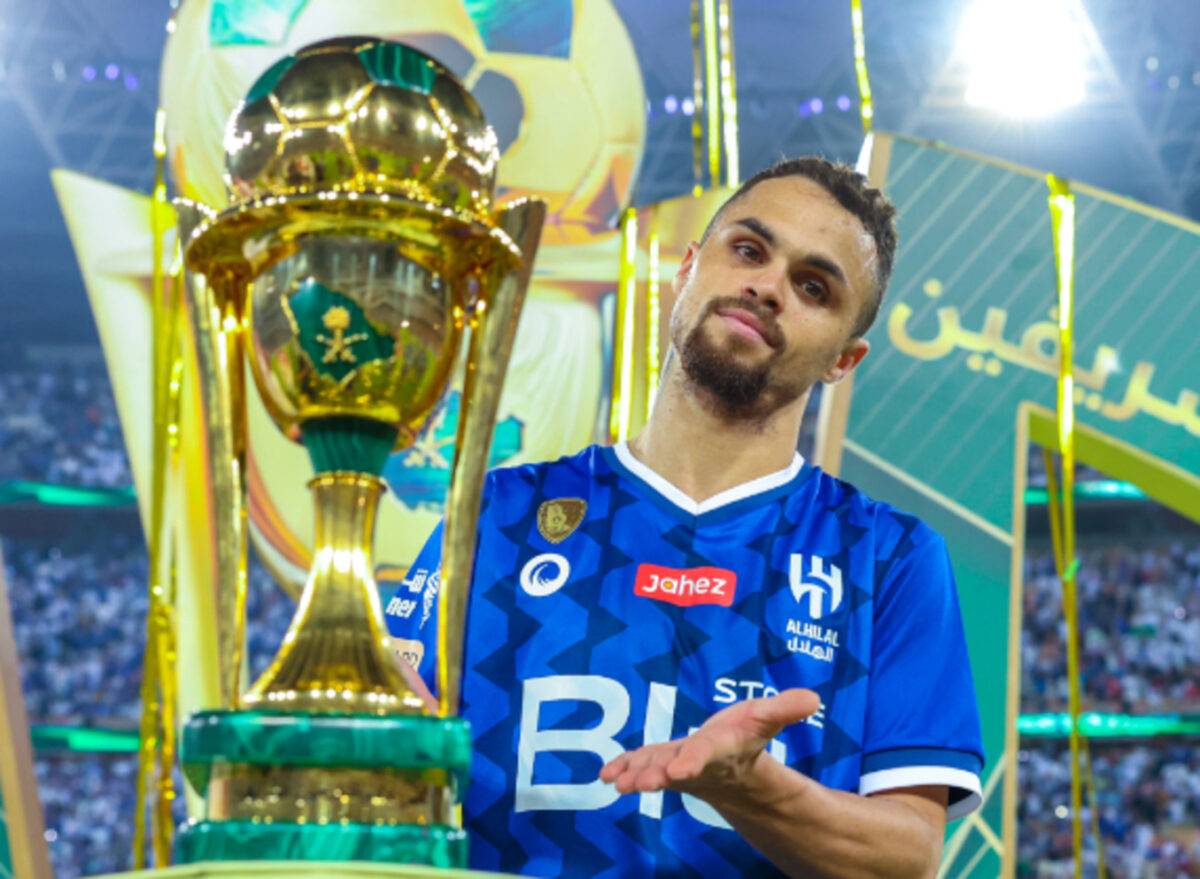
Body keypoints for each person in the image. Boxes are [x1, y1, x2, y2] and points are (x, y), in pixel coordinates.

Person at [386, 156, 984, 878]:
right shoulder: (495, 513)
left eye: (813, 287)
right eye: (749, 250)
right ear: (688, 267)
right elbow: (389, 766)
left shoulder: (888, 557)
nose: (767, 286)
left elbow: (908, 857)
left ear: (843, 360)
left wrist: (756, 791)